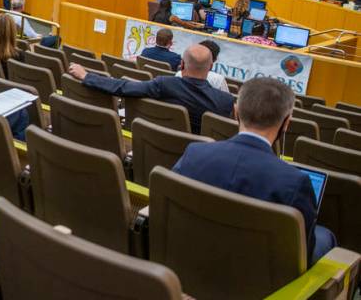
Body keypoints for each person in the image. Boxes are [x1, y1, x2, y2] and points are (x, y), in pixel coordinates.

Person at [172, 77, 335, 265]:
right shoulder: (295, 182)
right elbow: (301, 255)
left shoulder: (194, 153)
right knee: (324, 236)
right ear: (287, 123)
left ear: (235, 112)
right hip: (257, 278)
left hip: (191, 259)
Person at [69, 43, 235, 133]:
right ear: (211, 66)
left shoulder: (165, 84)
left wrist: (86, 76)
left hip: (156, 145)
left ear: (182, 64)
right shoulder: (226, 101)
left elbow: (123, 87)